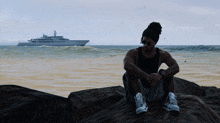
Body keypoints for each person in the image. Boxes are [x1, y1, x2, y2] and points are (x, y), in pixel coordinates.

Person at [123, 22, 180, 114]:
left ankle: (170, 100)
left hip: (155, 90)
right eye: (143, 42)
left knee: (167, 72)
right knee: (128, 73)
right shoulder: (134, 53)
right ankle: (139, 102)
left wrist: (161, 75)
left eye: (149, 43)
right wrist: (146, 76)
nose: (145, 45)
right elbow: (127, 65)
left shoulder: (162, 54)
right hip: (138, 90)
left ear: (155, 42)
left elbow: (176, 67)